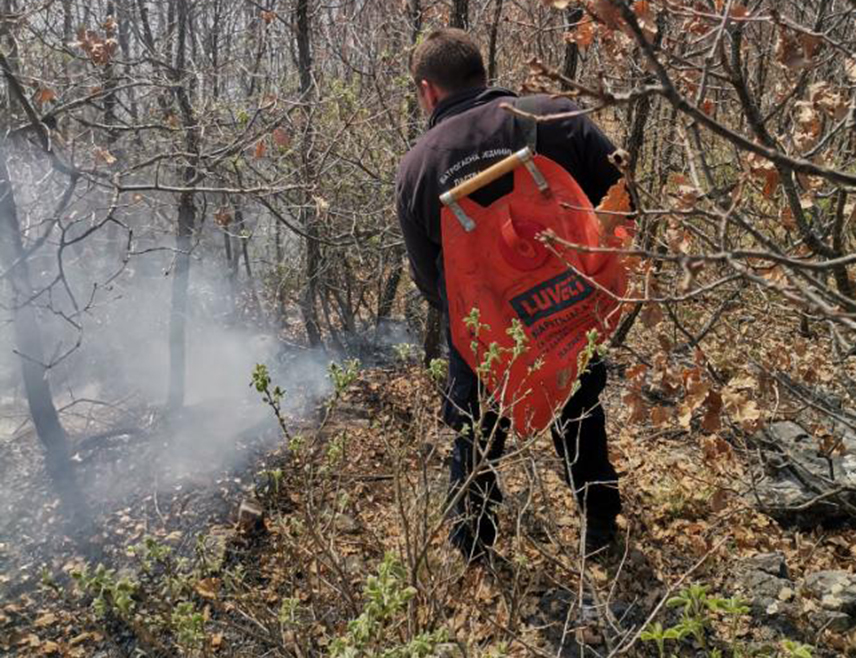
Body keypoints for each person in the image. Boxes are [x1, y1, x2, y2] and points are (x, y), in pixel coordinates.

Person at [395, 28, 623, 563]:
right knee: (580, 410)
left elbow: (432, 281)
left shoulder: (417, 168)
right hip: (568, 313)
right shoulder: (551, 115)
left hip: (483, 335)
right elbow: (621, 189)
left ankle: (474, 546)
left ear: (428, 91)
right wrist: (589, 273)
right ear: (483, 70)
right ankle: (600, 526)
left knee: (474, 433)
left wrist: (486, 313)